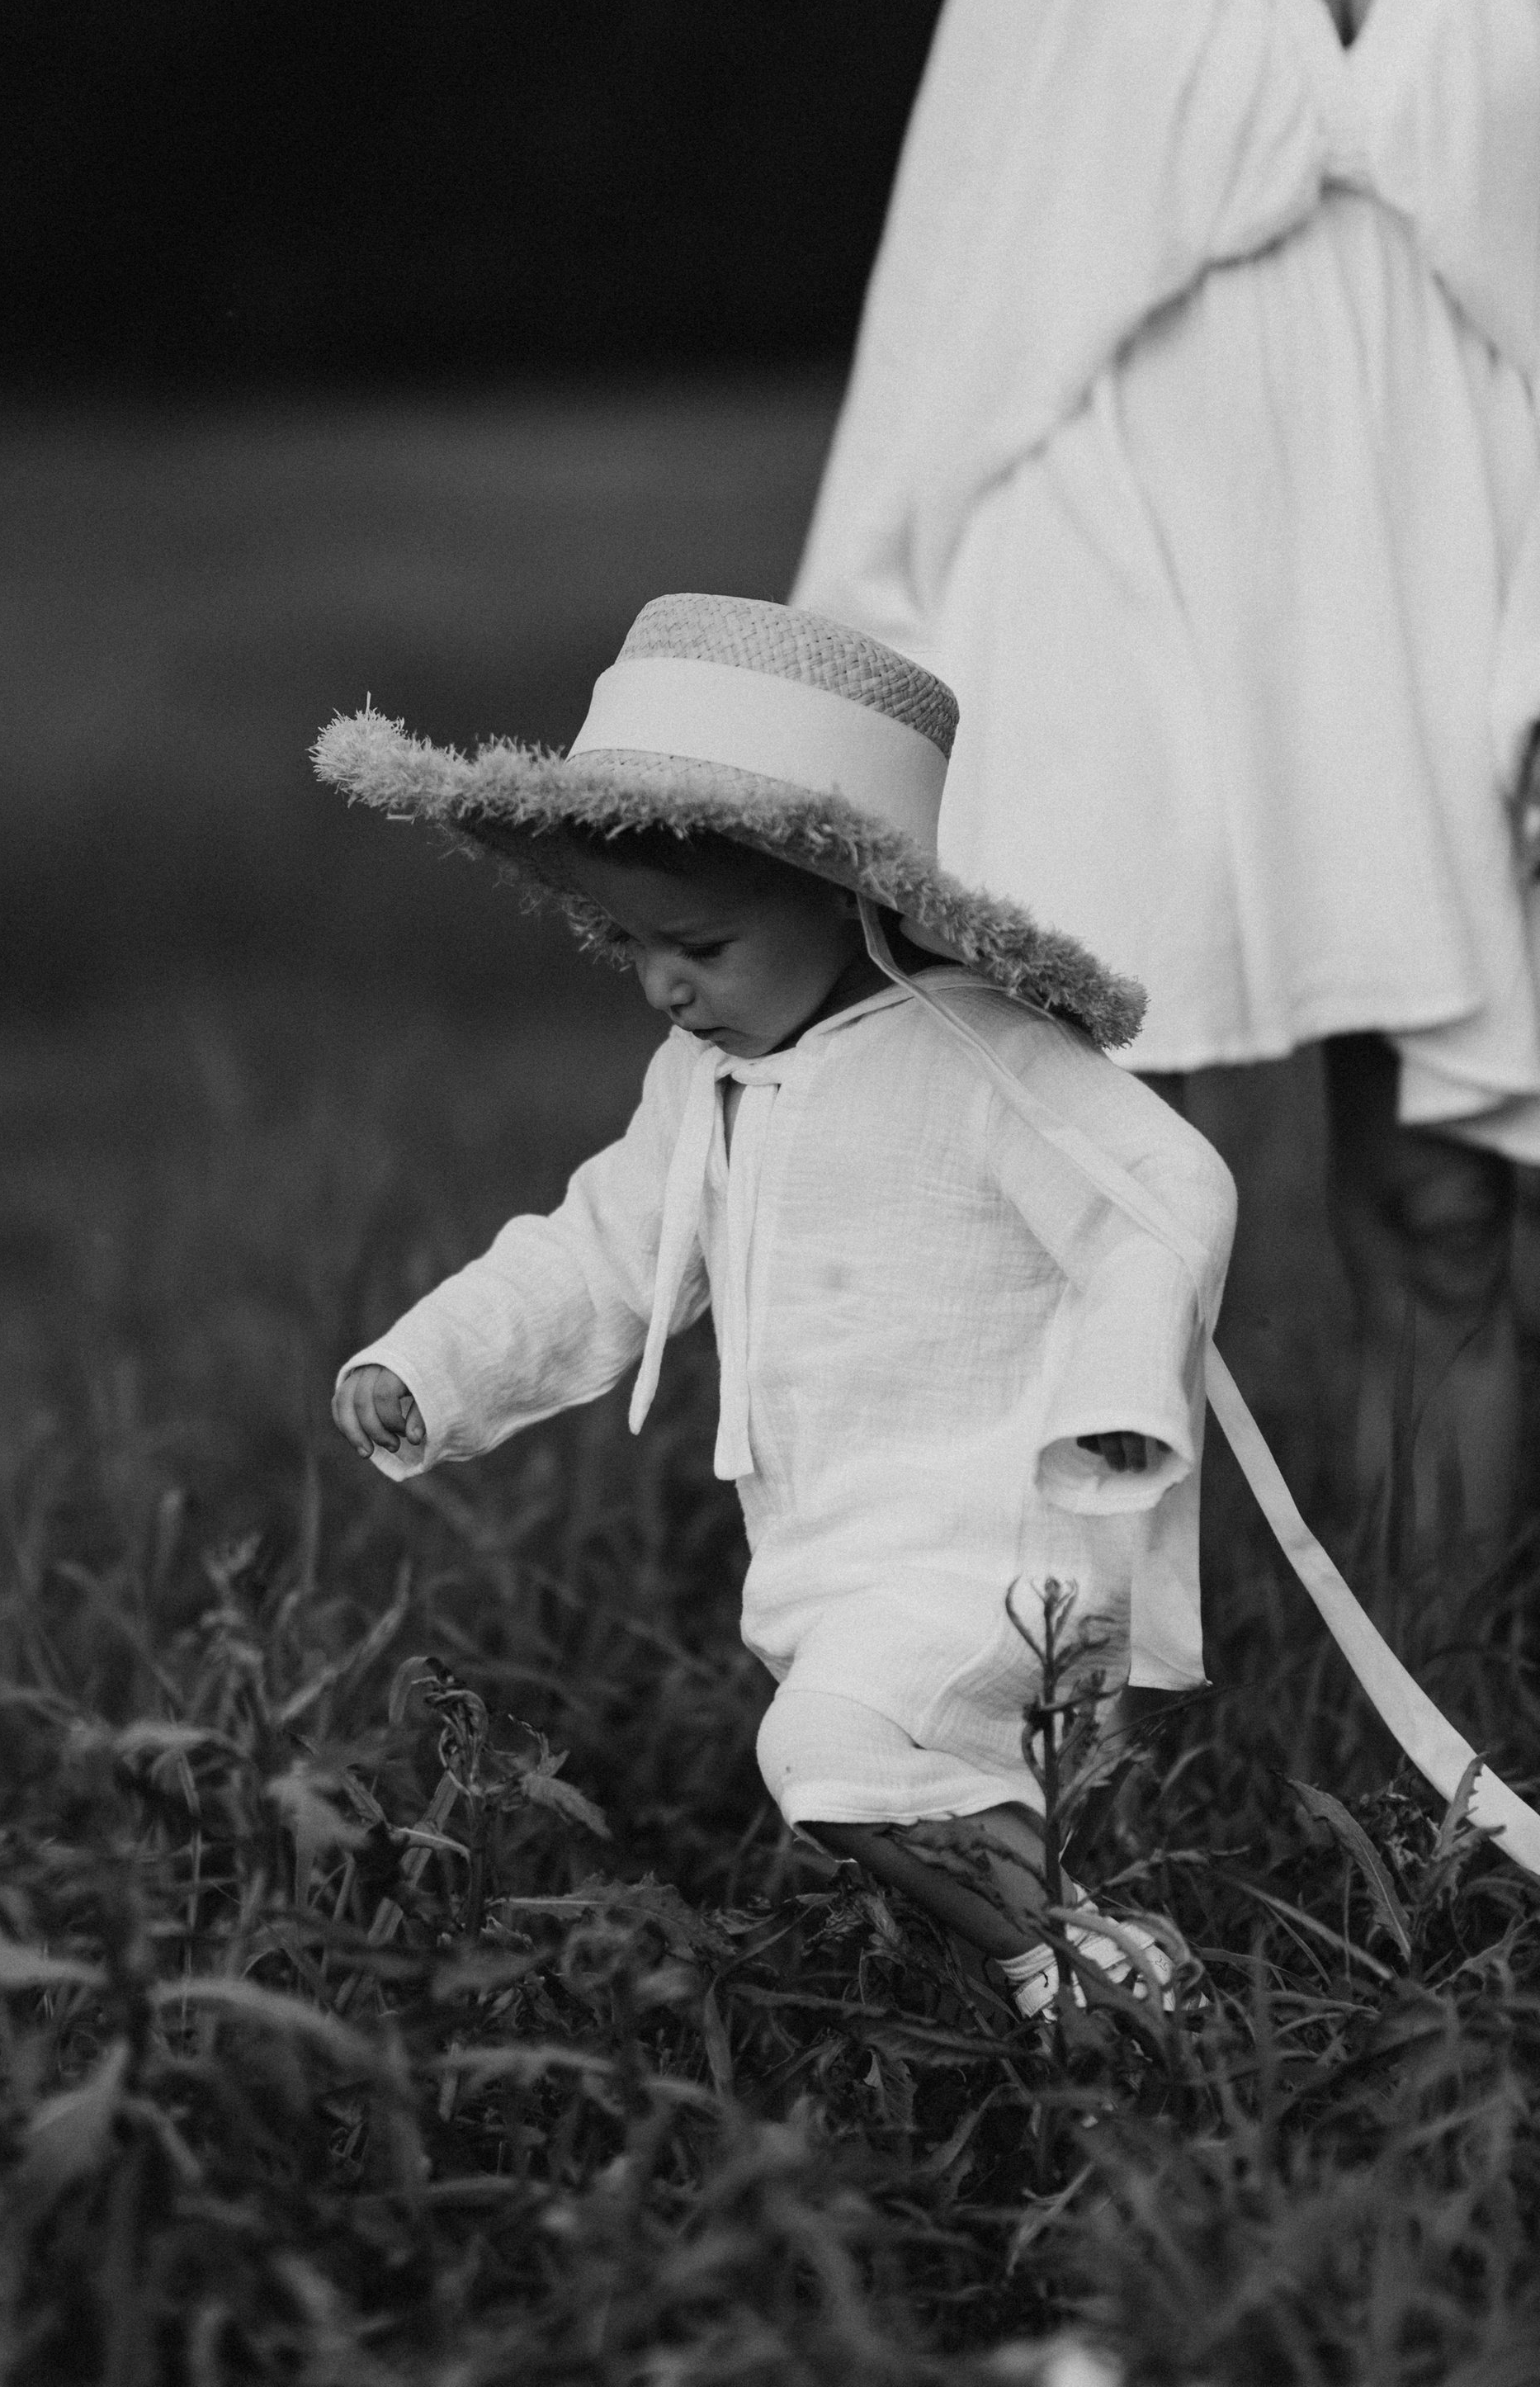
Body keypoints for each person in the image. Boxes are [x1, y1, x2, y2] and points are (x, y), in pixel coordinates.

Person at [791, 0, 1540, 1561]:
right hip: (1115, 543)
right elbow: (957, 251)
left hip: (1455, 553)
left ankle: (1440, 1784)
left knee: (1444, 1205)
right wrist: (845, 684)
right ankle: (1079, 1772)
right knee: (1117, 1196)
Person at [315, 593, 1237, 2017]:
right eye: (630, 945)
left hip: (994, 1525)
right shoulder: (704, 1082)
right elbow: (600, 1248)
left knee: (835, 1756)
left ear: (844, 892)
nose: (665, 987)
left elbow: (1158, 1193)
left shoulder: (978, 1056)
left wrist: (1120, 1400)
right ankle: (1092, 1976)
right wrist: (433, 1362)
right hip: (830, 1551)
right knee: (894, 1785)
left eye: (702, 945)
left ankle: (1085, 1980)